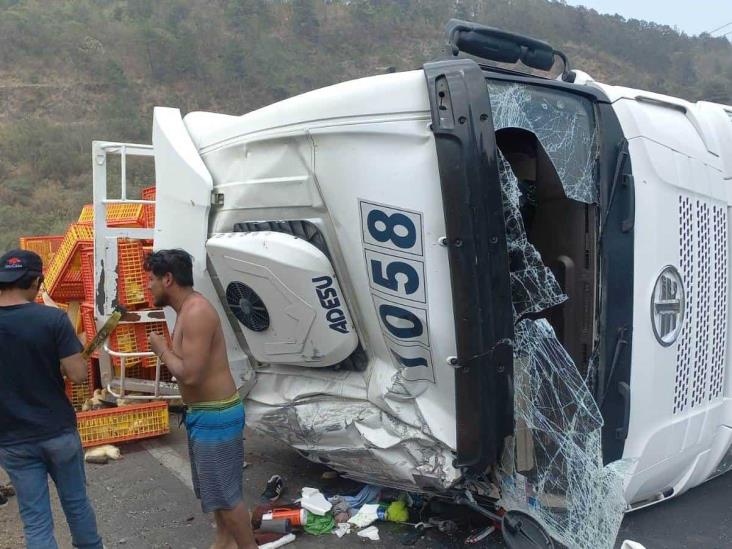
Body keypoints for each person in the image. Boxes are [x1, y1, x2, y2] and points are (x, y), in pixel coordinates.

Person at [145, 249, 257, 549]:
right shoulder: (186, 311)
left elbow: (190, 375)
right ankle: (223, 544)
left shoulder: (196, 312)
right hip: (204, 414)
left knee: (227, 499)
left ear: (168, 279)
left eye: (152, 279)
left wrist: (161, 349)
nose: (149, 286)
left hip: (216, 417)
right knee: (217, 499)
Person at [0, 249, 103, 549]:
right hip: (57, 431)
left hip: (12, 439)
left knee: (35, 520)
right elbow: (78, 375)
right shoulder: (52, 319)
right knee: (76, 505)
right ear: (35, 281)